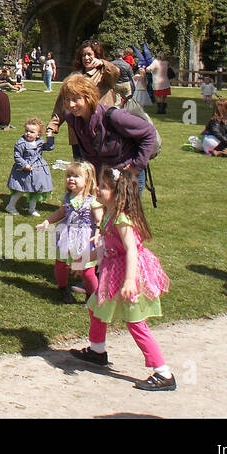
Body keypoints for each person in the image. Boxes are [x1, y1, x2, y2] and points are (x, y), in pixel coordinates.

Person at [69, 166, 175, 390]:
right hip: (113, 271)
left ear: (119, 195)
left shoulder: (122, 220)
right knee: (95, 306)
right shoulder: (109, 215)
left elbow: (132, 251)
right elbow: (108, 248)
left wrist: (129, 281)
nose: (98, 188)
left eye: (105, 187)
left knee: (136, 323)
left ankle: (163, 373)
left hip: (129, 274)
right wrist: (83, 262)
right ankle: (98, 350)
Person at [59, 73, 158, 197]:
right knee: (101, 215)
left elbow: (149, 132)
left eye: (75, 99)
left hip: (126, 175)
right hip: (102, 179)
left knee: (123, 215)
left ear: (88, 97)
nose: (71, 105)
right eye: (67, 99)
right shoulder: (72, 118)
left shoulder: (113, 117)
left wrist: (136, 167)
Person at [37, 161, 101, 305]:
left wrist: (98, 231)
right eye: (69, 176)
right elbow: (61, 212)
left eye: (76, 176)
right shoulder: (66, 197)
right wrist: (47, 221)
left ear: (87, 181)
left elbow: (99, 217)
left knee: (87, 271)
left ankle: (92, 295)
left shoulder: (92, 200)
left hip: (86, 238)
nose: (71, 179)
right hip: (67, 235)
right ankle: (63, 288)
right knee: (61, 264)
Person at [46, 41, 120, 161]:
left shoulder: (104, 75)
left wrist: (103, 63)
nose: (86, 58)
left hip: (100, 131)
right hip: (78, 133)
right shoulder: (74, 76)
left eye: (89, 54)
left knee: (101, 172)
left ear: (97, 55)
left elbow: (115, 73)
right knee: (81, 171)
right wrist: (53, 125)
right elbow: (62, 103)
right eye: (83, 55)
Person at [6, 117, 53, 216]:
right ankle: (10, 206)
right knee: (20, 189)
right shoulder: (21, 143)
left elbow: (49, 147)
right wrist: (24, 165)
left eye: (32, 132)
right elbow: (17, 156)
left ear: (38, 134)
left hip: (37, 170)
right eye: (26, 131)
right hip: (23, 171)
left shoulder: (39, 142)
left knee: (34, 190)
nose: (28, 133)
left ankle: (32, 209)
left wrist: (49, 137)